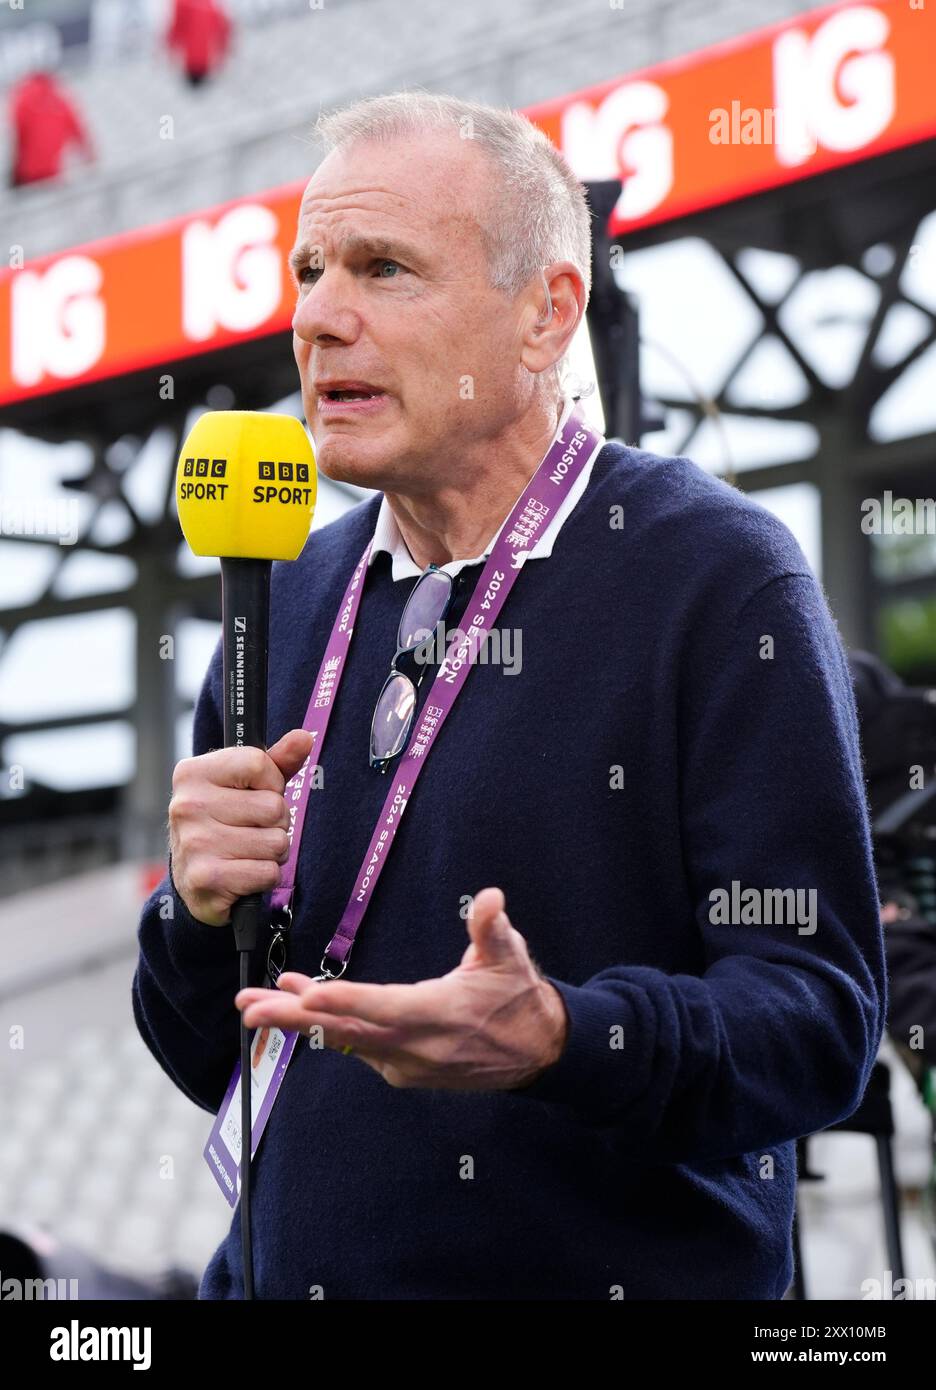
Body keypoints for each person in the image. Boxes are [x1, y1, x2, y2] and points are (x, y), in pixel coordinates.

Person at [132, 91, 886, 1300]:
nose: (320, 318)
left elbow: (818, 1021)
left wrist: (563, 1041)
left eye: (384, 269)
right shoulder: (276, 597)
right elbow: (208, 1054)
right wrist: (193, 917)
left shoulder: (719, 577)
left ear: (547, 315)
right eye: (309, 270)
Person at [7, 69, 94, 189]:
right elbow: (78, 131)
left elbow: (17, 134)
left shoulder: (23, 97)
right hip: (52, 173)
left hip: (28, 173)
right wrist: (90, 157)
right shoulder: (60, 100)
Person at [165, 0, 231, 87]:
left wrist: (170, 45)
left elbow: (177, 28)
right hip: (201, 60)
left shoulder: (182, 4)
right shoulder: (211, 6)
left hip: (195, 60)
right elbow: (223, 29)